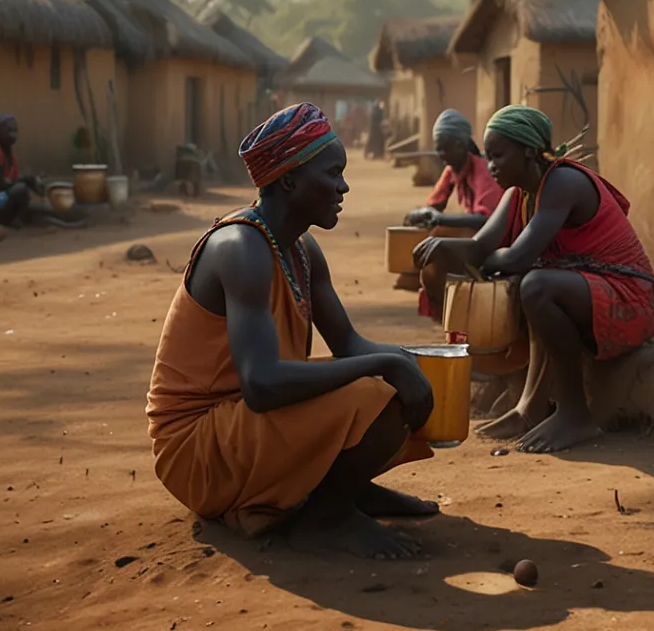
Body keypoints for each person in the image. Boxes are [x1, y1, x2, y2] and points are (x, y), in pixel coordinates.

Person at [146, 103, 437, 559]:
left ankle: (346, 493)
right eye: (333, 173)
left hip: (241, 421)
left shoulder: (301, 250)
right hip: (197, 449)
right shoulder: (241, 248)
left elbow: (348, 345)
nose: (343, 186)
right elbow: (261, 387)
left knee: (397, 382)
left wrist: (417, 360)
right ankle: (327, 519)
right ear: (289, 180)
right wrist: (387, 365)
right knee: (375, 396)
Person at [413, 105, 654, 453]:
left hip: (632, 300)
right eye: (488, 157)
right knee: (530, 282)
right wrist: (442, 247)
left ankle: (575, 414)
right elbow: (480, 247)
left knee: (535, 285)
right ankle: (530, 407)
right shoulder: (518, 194)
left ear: (530, 151)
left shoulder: (563, 181)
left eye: (499, 155)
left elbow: (516, 257)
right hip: (590, 294)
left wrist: (487, 259)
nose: (491, 165)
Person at [404, 109, 505, 322]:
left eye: (444, 148)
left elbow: (487, 220)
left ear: (460, 145)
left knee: (440, 236)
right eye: (438, 149)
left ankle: (456, 316)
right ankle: (447, 315)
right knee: (433, 240)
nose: (441, 155)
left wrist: (439, 219)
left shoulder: (484, 171)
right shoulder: (452, 169)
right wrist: (418, 215)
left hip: (496, 239)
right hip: (474, 237)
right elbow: (434, 203)